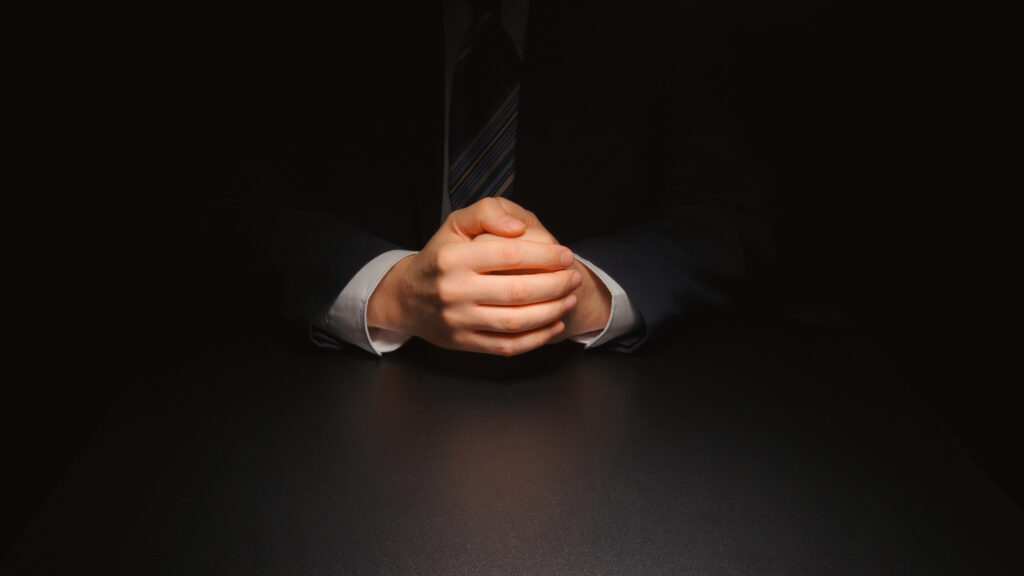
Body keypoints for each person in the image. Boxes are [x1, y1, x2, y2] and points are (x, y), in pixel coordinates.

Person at [201, 0, 773, 357]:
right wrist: (393, 291)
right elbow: (235, 194)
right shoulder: (314, 19)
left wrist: (582, 292)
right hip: (320, 405)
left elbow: (735, 203)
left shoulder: (669, 19)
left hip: (639, 420)